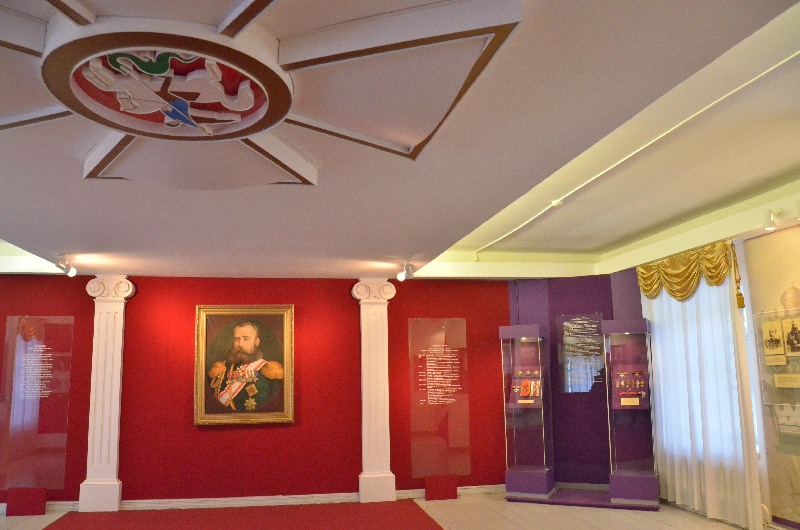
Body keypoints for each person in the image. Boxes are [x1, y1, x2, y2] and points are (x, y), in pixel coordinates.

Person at [207, 321, 284, 412]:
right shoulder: (221, 369)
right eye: (237, 339)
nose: (240, 344)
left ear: (256, 342)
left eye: (246, 339)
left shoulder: (270, 370)